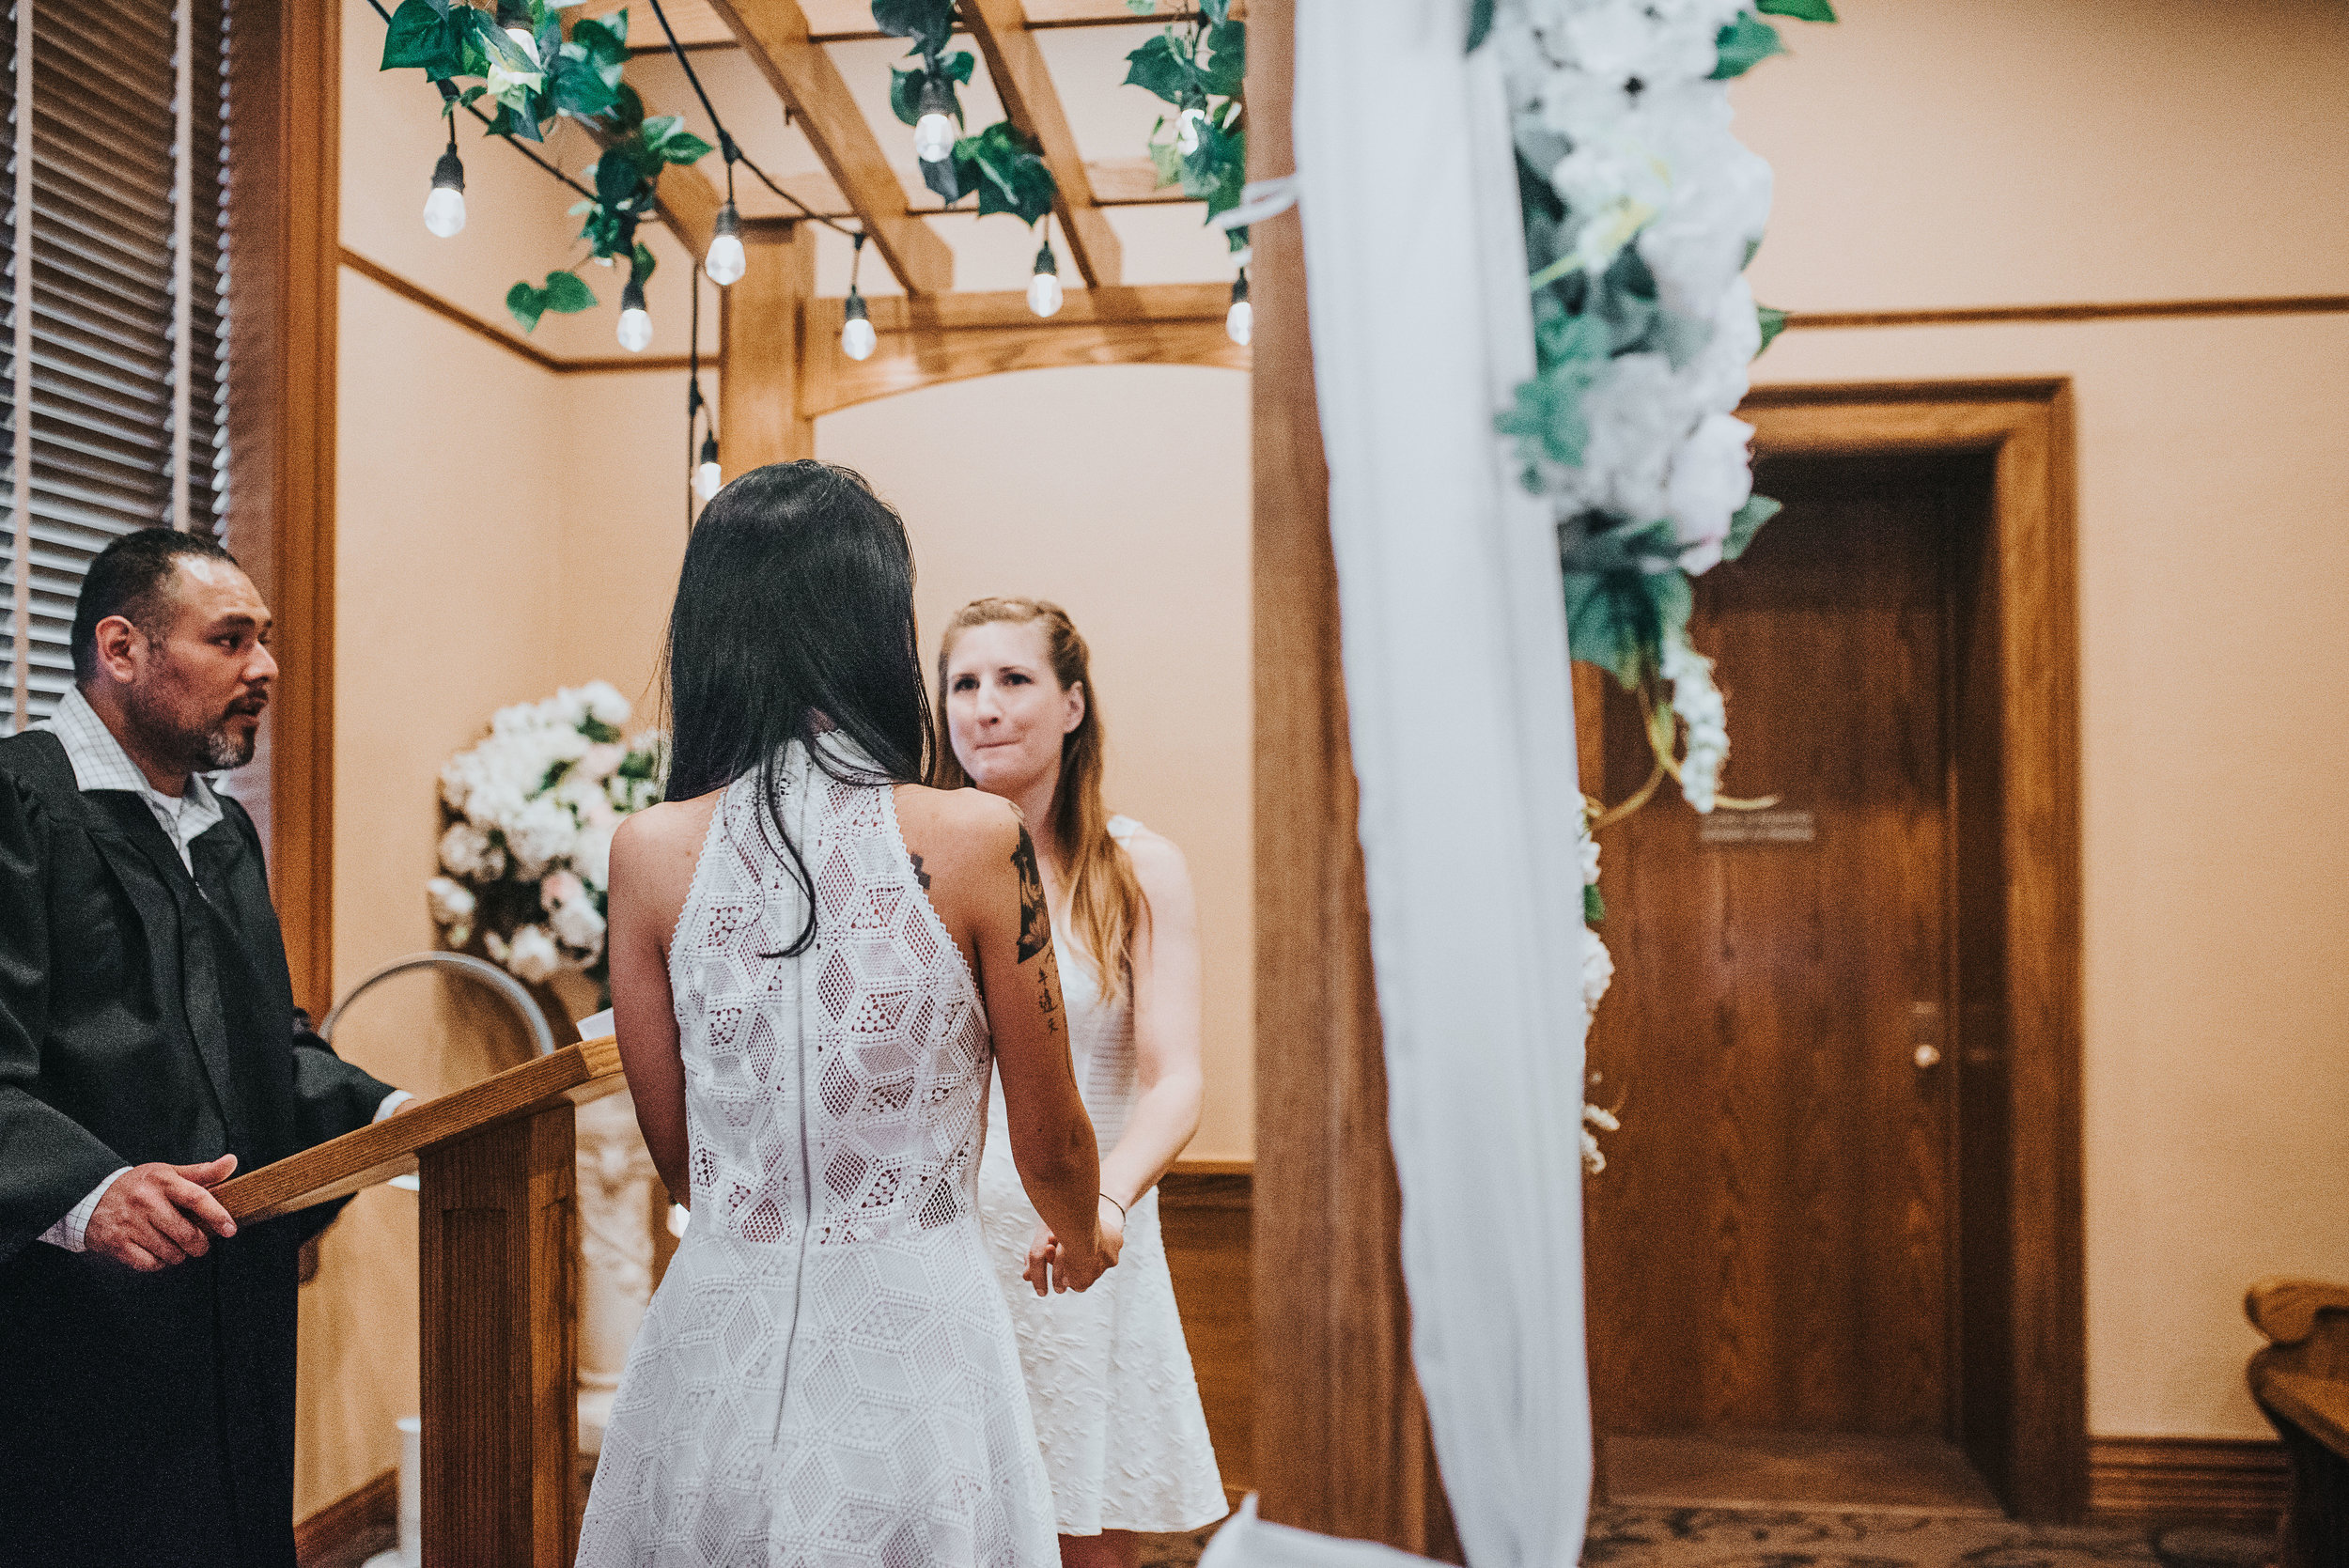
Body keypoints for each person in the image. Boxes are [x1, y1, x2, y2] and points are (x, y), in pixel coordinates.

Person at [577, 463, 1113, 1568]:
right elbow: (1050, 1132)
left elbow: (680, 1159)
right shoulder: (973, 837)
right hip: (915, 1339)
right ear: (877, 623)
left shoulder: (647, 851)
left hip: (717, 1332)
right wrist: (1082, 1224)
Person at [0, 528, 412, 1568]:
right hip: (70, 1337)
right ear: (121, 648)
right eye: (230, 640)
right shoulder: (19, 805)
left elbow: (262, 1043)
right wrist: (89, 1193)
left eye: (265, 641)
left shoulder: (218, 830)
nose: (265, 669)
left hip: (229, 1319)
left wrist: (386, 1116)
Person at [935, 598, 1228, 1566]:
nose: (985, 706)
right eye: (964, 684)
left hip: (1084, 1233)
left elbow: (1176, 1078)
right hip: (942, 1242)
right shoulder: (911, 869)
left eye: (1013, 680)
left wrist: (1101, 1202)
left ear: (1071, 704)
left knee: (1085, 1540)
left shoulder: (1138, 868)